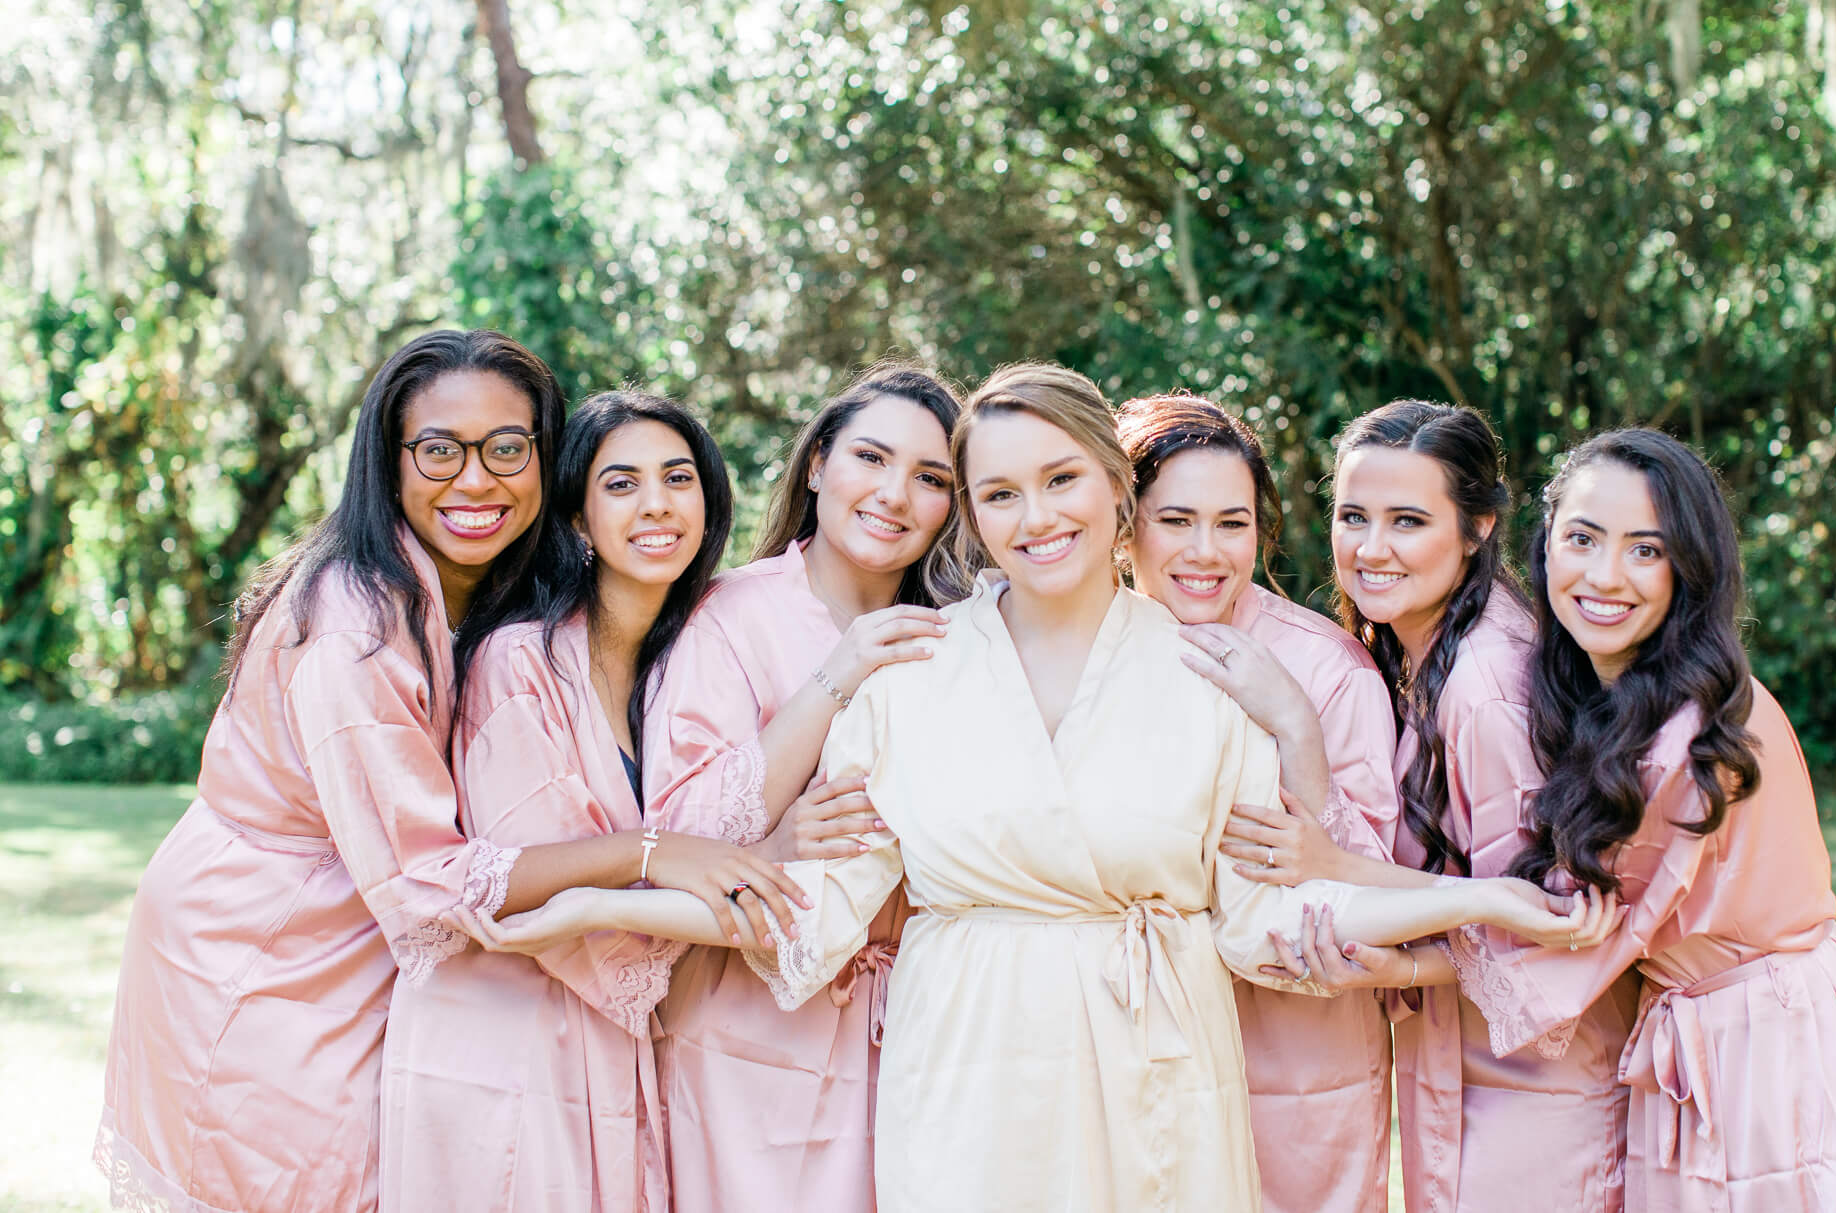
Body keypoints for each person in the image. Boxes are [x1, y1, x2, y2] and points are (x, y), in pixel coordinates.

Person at [475, 364, 1618, 1213]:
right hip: (968, 1077)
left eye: (1061, 481)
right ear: (970, 514)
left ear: (1115, 487)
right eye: (1000, 494)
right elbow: (804, 905)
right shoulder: (909, 669)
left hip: (1162, 1067)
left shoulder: (1205, 672)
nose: (1037, 519)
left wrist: (1481, 903)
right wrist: (595, 907)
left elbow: (1275, 906)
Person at [96, 332, 793, 1213]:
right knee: (306, 1176)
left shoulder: (487, 587)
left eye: (508, 448)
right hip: (264, 940)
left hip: (364, 927)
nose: (476, 480)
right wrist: (647, 850)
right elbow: (429, 884)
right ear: (387, 462)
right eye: (439, 451)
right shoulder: (356, 626)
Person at [1430, 429, 1836, 1210]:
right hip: (1717, 1034)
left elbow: (1563, 939)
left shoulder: (1684, 739)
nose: (1604, 575)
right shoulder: (1623, 699)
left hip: (1767, 1049)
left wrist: (1356, 918)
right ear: (1545, 544)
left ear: (1688, 568)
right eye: (1583, 538)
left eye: (1645, 550)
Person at [380, 390, 799, 1212]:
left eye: (679, 478)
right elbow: (560, 897)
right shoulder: (517, 663)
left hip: (607, 1047)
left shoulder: (686, 665)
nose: (656, 504)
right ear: (576, 518)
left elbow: (707, 840)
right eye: (621, 483)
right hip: (499, 1041)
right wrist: (708, 865)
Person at [1258, 400, 1639, 1213]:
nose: (1370, 548)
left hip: (1535, 1077)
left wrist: (1354, 896)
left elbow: (1544, 922)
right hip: (1467, 1053)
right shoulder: (1418, 647)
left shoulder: (1484, 685)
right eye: (1353, 515)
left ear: (1477, 528)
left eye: (1407, 521)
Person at [640, 363, 972, 1212]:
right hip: (751, 1027)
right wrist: (839, 670)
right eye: (871, 457)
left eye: (930, 478)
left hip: (915, 1029)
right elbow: (682, 826)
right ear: (819, 462)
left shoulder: (962, 635)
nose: (895, 494)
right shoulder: (729, 614)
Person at [1115, 392, 1401, 1213]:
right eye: (1176, 519)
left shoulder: (1329, 670)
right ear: (1125, 523)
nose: (1206, 551)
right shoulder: (1083, 646)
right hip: (1133, 1047)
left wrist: (1295, 729)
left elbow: (1367, 885)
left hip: (1291, 1061)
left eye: (1232, 523)